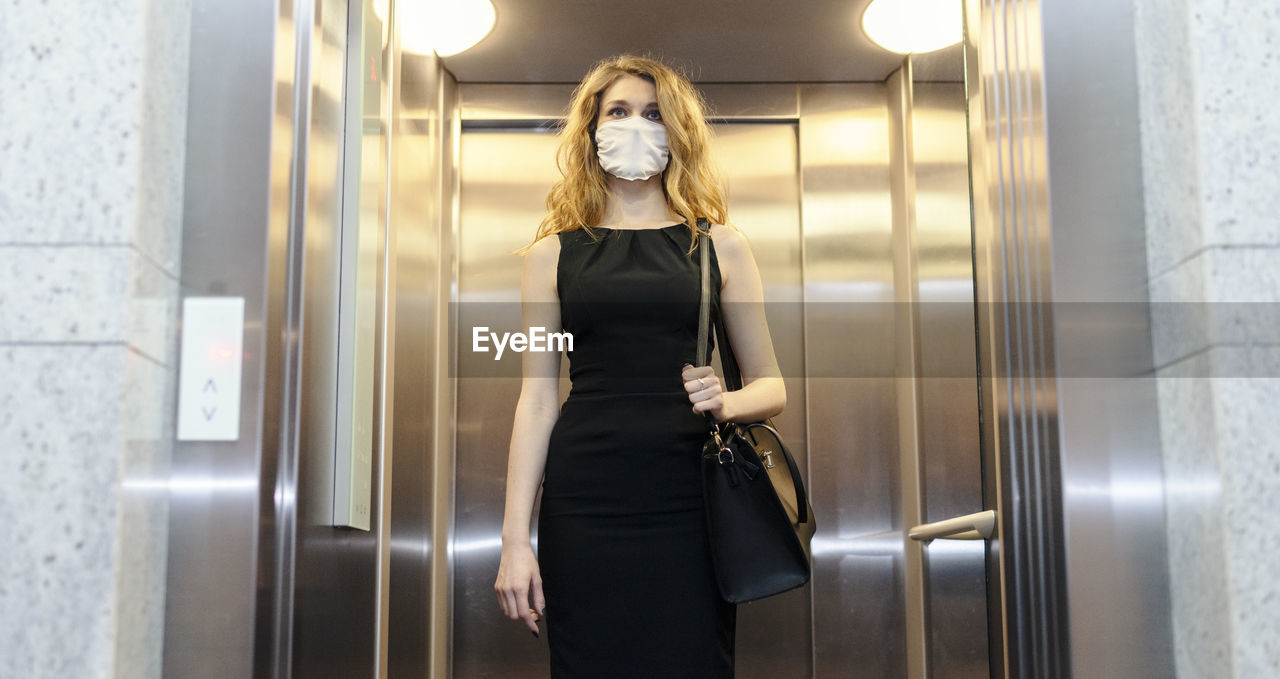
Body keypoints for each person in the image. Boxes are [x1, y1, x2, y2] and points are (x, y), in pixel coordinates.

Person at [494, 54, 786, 678]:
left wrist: (727, 402)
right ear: (591, 130)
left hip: (690, 498)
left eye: (653, 114)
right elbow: (538, 398)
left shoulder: (719, 245)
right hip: (584, 500)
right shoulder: (550, 256)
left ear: (677, 130)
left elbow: (771, 386)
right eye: (618, 112)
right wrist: (515, 540)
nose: (635, 125)